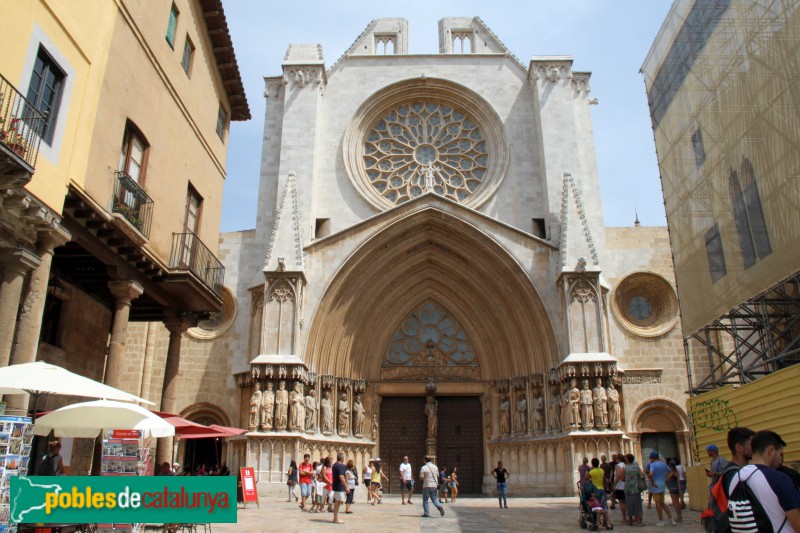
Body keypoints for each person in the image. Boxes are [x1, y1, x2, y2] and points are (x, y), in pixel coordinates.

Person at [727, 430, 800, 532]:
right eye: (780, 455)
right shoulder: (779, 479)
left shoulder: (735, 478)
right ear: (771, 451)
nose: (781, 461)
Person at [648, 450, 676, 527]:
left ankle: (661, 521)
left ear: (652, 458)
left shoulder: (652, 465)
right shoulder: (663, 464)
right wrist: (666, 479)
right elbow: (671, 472)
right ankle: (671, 519)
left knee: (658, 503)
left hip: (655, 486)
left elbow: (651, 474)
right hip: (662, 485)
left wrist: (653, 482)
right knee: (663, 503)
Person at [623, 453, 645, 527]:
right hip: (636, 488)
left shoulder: (625, 468)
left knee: (629, 504)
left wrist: (628, 480)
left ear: (627, 459)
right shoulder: (637, 467)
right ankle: (638, 520)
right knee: (637, 504)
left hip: (628, 488)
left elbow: (622, 478)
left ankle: (630, 520)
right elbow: (642, 475)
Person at [331, 452, 349, 524]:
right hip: (339, 486)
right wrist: (346, 487)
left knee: (337, 502)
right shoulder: (341, 466)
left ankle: (335, 518)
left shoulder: (334, 465)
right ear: (342, 458)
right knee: (338, 502)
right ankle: (336, 519)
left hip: (335, 485)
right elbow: (341, 477)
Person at [614, 453, 628, 523]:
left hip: (620, 486)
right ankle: (630, 517)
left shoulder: (618, 466)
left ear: (618, 459)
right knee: (626, 502)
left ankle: (624, 518)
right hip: (626, 485)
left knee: (622, 502)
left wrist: (614, 485)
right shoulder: (626, 465)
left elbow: (618, 476)